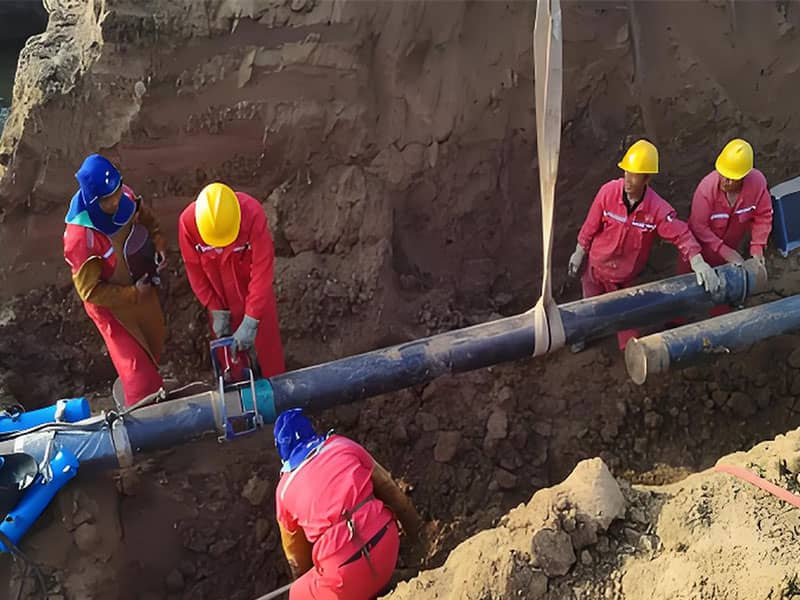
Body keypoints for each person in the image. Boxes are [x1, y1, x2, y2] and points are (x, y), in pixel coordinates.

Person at [567, 139, 719, 350]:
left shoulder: (656, 209)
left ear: (647, 179)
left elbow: (681, 234)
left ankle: (632, 355)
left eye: (634, 175)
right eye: (626, 173)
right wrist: (578, 252)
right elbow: (590, 226)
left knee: (627, 323)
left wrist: (698, 261)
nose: (627, 180)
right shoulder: (607, 193)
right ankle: (581, 335)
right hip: (596, 267)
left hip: (624, 278)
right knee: (586, 309)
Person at [274, 408, 421, 600]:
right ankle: (380, 581)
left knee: (297, 593)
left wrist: (316, 580)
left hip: (342, 580)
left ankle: (362, 587)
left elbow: (296, 559)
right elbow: (391, 491)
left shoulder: (284, 490)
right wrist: (418, 540)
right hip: (387, 549)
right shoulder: (342, 445)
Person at [63, 154, 167, 406]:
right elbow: (90, 291)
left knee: (154, 342)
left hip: (140, 287)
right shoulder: (81, 237)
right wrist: (131, 294)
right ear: (94, 200)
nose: (117, 201)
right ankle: (142, 417)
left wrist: (159, 244)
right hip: (112, 307)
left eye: (118, 192)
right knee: (137, 374)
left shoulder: (124, 196)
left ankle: (156, 387)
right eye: (110, 200)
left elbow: (148, 220)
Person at [178, 182, 285, 378]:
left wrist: (252, 319)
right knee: (230, 358)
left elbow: (262, 268)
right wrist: (214, 307)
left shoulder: (252, 214)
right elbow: (194, 271)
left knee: (269, 355)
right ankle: (238, 391)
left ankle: (276, 393)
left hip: (254, 295)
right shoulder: (188, 224)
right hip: (220, 300)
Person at [675, 138, 773, 317]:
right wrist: (723, 251)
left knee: (722, 298)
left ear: (744, 176)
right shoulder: (706, 189)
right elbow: (699, 227)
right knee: (684, 293)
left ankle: (721, 324)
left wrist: (757, 248)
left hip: (726, 258)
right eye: (723, 174)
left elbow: (763, 215)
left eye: (732, 178)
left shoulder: (756, 185)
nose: (725, 181)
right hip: (698, 252)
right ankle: (676, 322)